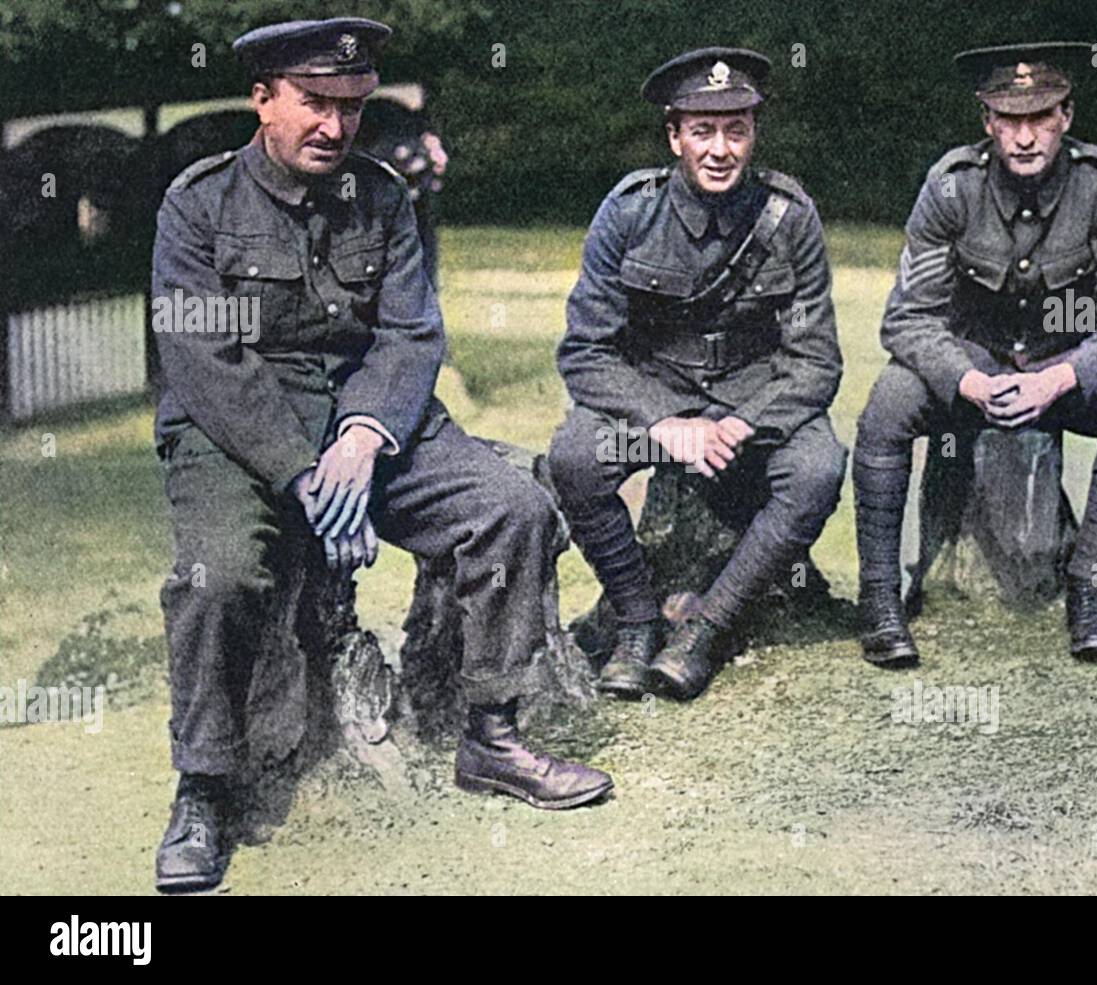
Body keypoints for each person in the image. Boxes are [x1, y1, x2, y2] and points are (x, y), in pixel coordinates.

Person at [151, 17, 611, 893]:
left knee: (510, 506)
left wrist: (362, 438)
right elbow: (206, 362)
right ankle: (205, 785)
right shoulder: (197, 203)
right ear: (263, 98)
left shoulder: (383, 197)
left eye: (352, 107)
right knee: (218, 573)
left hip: (374, 426)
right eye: (315, 103)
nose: (335, 126)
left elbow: (409, 333)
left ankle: (492, 734)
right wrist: (302, 472)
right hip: (235, 435)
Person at [853, 42, 1097, 667]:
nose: (1025, 137)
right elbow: (909, 318)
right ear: (988, 124)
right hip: (978, 364)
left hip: (1065, 364)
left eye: (1040, 117)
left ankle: (1089, 589)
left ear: (1066, 118)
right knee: (889, 404)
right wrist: (967, 381)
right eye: (1010, 120)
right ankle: (881, 599)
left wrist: (1060, 378)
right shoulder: (951, 187)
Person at [548, 47, 846, 702]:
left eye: (736, 130)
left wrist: (745, 421)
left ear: (753, 134)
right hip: (659, 406)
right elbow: (585, 351)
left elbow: (817, 358)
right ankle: (636, 622)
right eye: (702, 130)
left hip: (753, 401)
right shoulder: (630, 212)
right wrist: (665, 424)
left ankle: (709, 629)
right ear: (674, 135)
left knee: (818, 468)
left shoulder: (789, 217)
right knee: (575, 456)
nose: (720, 149)